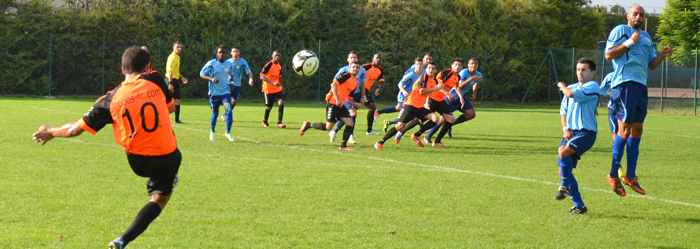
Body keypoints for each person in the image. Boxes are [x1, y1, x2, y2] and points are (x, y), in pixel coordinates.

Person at [33, 46, 181, 248]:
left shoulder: (109, 100)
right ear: (146, 67)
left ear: (122, 70)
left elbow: (75, 129)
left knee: (154, 175)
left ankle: (120, 241)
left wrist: (52, 131)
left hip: (137, 161)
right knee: (159, 200)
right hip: (168, 157)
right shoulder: (155, 79)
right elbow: (171, 108)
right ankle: (124, 238)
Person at [604, 5, 673, 196]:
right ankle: (613, 175)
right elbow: (608, 54)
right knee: (624, 130)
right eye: (635, 14)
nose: (638, 17)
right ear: (628, 16)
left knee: (637, 130)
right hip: (624, 84)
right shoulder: (621, 30)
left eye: (641, 15)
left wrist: (662, 56)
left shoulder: (647, 37)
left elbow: (652, 65)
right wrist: (629, 43)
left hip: (640, 86)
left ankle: (631, 176)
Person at [552, 58, 600, 214]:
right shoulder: (572, 87)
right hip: (570, 132)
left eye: (584, 69)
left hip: (586, 132)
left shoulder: (592, 86)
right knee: (563, 170)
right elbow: (563, 111)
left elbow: (570, 93)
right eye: (578, 69)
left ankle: (564, 187)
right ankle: (579, 206)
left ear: (592, 73)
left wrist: (562, 86)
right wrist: (565, 128)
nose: (580, 72)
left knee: (562, 152)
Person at [374, 62, 443, 149]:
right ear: (426, 69)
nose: (431, 70)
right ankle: (380, 142)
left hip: (421, 106)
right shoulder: (424, 77)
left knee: (435, 119)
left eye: (433, 68)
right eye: (429, 68)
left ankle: (417, 135)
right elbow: (422, 91)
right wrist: (437, 88)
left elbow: (430, 91)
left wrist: (427, 102)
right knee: (400, 126)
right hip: (411, 105)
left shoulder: (434, 81)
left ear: (436, 70)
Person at [300, 61, 362, 150]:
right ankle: (308, 125)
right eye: (353, 67)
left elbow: (349, 99)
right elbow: (333, 84)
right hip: (333, 103)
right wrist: (337, 99)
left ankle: (343, 145)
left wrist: (356, 103)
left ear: (359, 69)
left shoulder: (355, 83)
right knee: (328, 127)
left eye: (357, 67)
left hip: (340, 105)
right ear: (350, 68)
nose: (355, 69)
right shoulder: (346, 75)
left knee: (350, 123)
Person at [424, 58, 482, 144]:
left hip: (461, 97)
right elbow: (459, 86)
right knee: (443, 119)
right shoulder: (463, 73)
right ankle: (428, 136)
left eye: (475, 64)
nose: (474, 65)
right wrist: (470, 79)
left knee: (471, 114)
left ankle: (450, 125)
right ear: (468, 65)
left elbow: (475, 84)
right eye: (472, 63)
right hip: (452, 97)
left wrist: (474, 93)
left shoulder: (478, 74)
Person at [376, 55, 430, 131]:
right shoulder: (412, 72)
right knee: (404, 118)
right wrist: (404, 91)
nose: (419, 65)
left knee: (403, 111)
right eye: (417, 64)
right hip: (404, 97)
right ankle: (398, 131)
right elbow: (401, 81)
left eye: (429, 59)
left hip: (413, 97)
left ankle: (387, 120)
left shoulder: (424, 72)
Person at [421, 58, 465, 147]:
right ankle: (402, 129)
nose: (457, 67)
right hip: (432, 98)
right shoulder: (446, 73)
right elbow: (438, 86)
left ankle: (437, 141)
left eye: (459, 65)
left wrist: (461, 97)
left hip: (441, 101)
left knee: (451, 120)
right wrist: (448, 94)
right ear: (452, 65)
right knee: (421, 119)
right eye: (455, 64)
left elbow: (456, 87)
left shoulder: (458, 77)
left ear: (462, 67)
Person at [329, 51, 367, 143]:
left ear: (357, 59)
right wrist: (330, 93)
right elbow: (334, 83)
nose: (353, 59)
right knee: (352, 114)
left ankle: (334, 132)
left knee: (348, 116)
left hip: (356, 94)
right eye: (351, 57)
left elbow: (363, 84)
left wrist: (362, 97)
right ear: (347, 59)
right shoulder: (343, 70)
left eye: (355, 57)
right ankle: (350, 135)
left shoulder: (362, 70)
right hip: (345, 95)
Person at [200, 45, 235, 141]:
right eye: (220, 52)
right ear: (216, 53)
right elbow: (202, 74)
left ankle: (228, 132)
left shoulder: (229, 64)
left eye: (223, 52)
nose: (222, 54)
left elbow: (230, 74)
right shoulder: (211, 63)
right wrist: (211, 79)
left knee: (229, 111)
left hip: (225, 92)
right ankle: (212, 131)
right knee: (215, 113)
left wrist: (231, 83)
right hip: (214, 93)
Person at [599, 72, 625, 177]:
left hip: (629, 109)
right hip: (614, 109)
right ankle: (617, 167)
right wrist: (594, 106)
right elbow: (601, 90)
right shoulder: (611, 76)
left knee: (627, 136)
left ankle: (631, 172)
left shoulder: (634, 73)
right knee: (615, 135)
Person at [220, 46, 254, 122]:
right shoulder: (228, 62)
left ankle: (225, 114)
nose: (235, 53)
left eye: (237, 51)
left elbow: (249, 72)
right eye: (234, 51)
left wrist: (250, 79)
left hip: (237, 84)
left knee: (234, 101)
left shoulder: (243, 62)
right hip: (228, 83)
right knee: (228, 100)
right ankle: (227, 115)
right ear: (231, 53)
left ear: (239, 52)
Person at [260, 50, 286, 128]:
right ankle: (265, 121)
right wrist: (272, 82)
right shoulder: (269, 65)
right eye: (275, 55)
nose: (277, 57)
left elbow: (280, 77)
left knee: (281, 102)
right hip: (268, 90)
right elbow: (261, 76)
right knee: (269, 107)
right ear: (272, 56)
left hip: (277, 89)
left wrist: (281, 86)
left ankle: (279, 123)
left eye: (278, 56)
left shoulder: (279, 66)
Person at [361, 53, 386, 135]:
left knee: (355, 108)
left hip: (365, 90)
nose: (378, 59)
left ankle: (369, 130)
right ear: (373, 59)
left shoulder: (380, 70)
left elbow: (382, 82)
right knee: (372, 108)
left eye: (380, 58)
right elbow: (356, 72)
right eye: (377, 58)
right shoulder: (366, 67)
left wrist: (380, 89)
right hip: (360, 89)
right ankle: (369, 130)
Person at [166, 41, 188, 124]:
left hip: (175, 80)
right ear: (173, 48)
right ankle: (162, 118)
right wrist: (170, 83)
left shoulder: (177, 57)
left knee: (177, 100)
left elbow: (175, 71)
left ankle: (177, 120)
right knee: (167, 101)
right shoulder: (172, 57)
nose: (179, 49)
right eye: (177, 47)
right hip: (170, 80)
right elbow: (170, 71)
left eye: (180, 47)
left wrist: (182, 78)